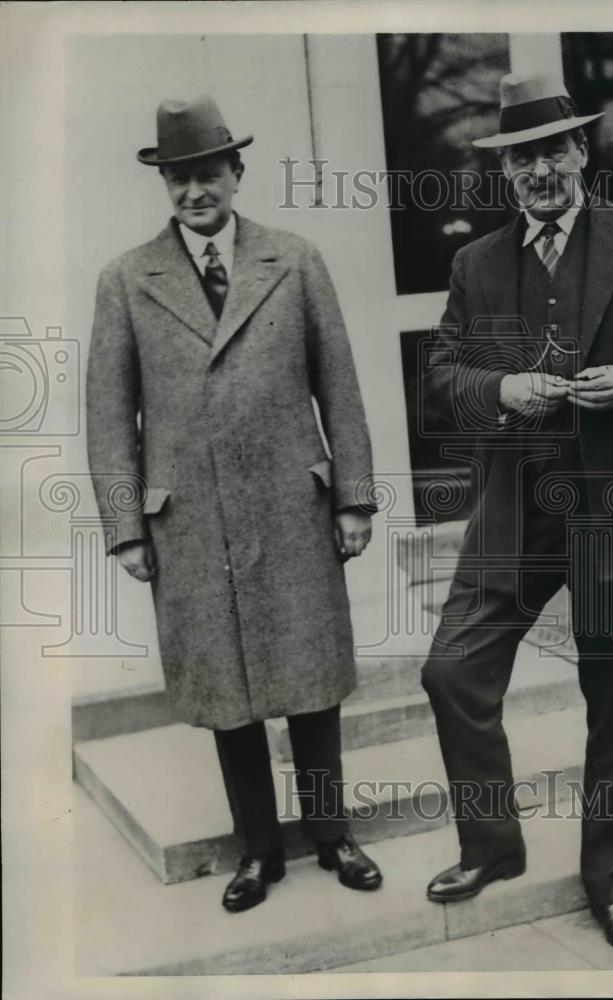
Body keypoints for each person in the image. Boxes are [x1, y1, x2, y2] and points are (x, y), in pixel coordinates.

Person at [420, 72, 613, 953]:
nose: (538, 171)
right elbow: (443, 380)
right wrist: (504, 387)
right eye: (520, 159)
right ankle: (492, 845)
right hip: (518, 512)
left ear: (579, 151)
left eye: (550, 150)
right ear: (506, 172)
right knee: (453, 673)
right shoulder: (475, 265)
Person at [86, 95, 382, 913]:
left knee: (313, 678)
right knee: (228, 692)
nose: (194, 192)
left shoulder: (294, 259)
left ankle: (333, 834)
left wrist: (353, 498)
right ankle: (258, 851)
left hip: (293, 506)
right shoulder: (125, 280)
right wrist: (125, 530)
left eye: (208, 174)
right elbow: (109, 419)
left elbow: (341, 388)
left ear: (236, 173)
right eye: (178, 179)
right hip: (190, 523)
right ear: (164, 185)